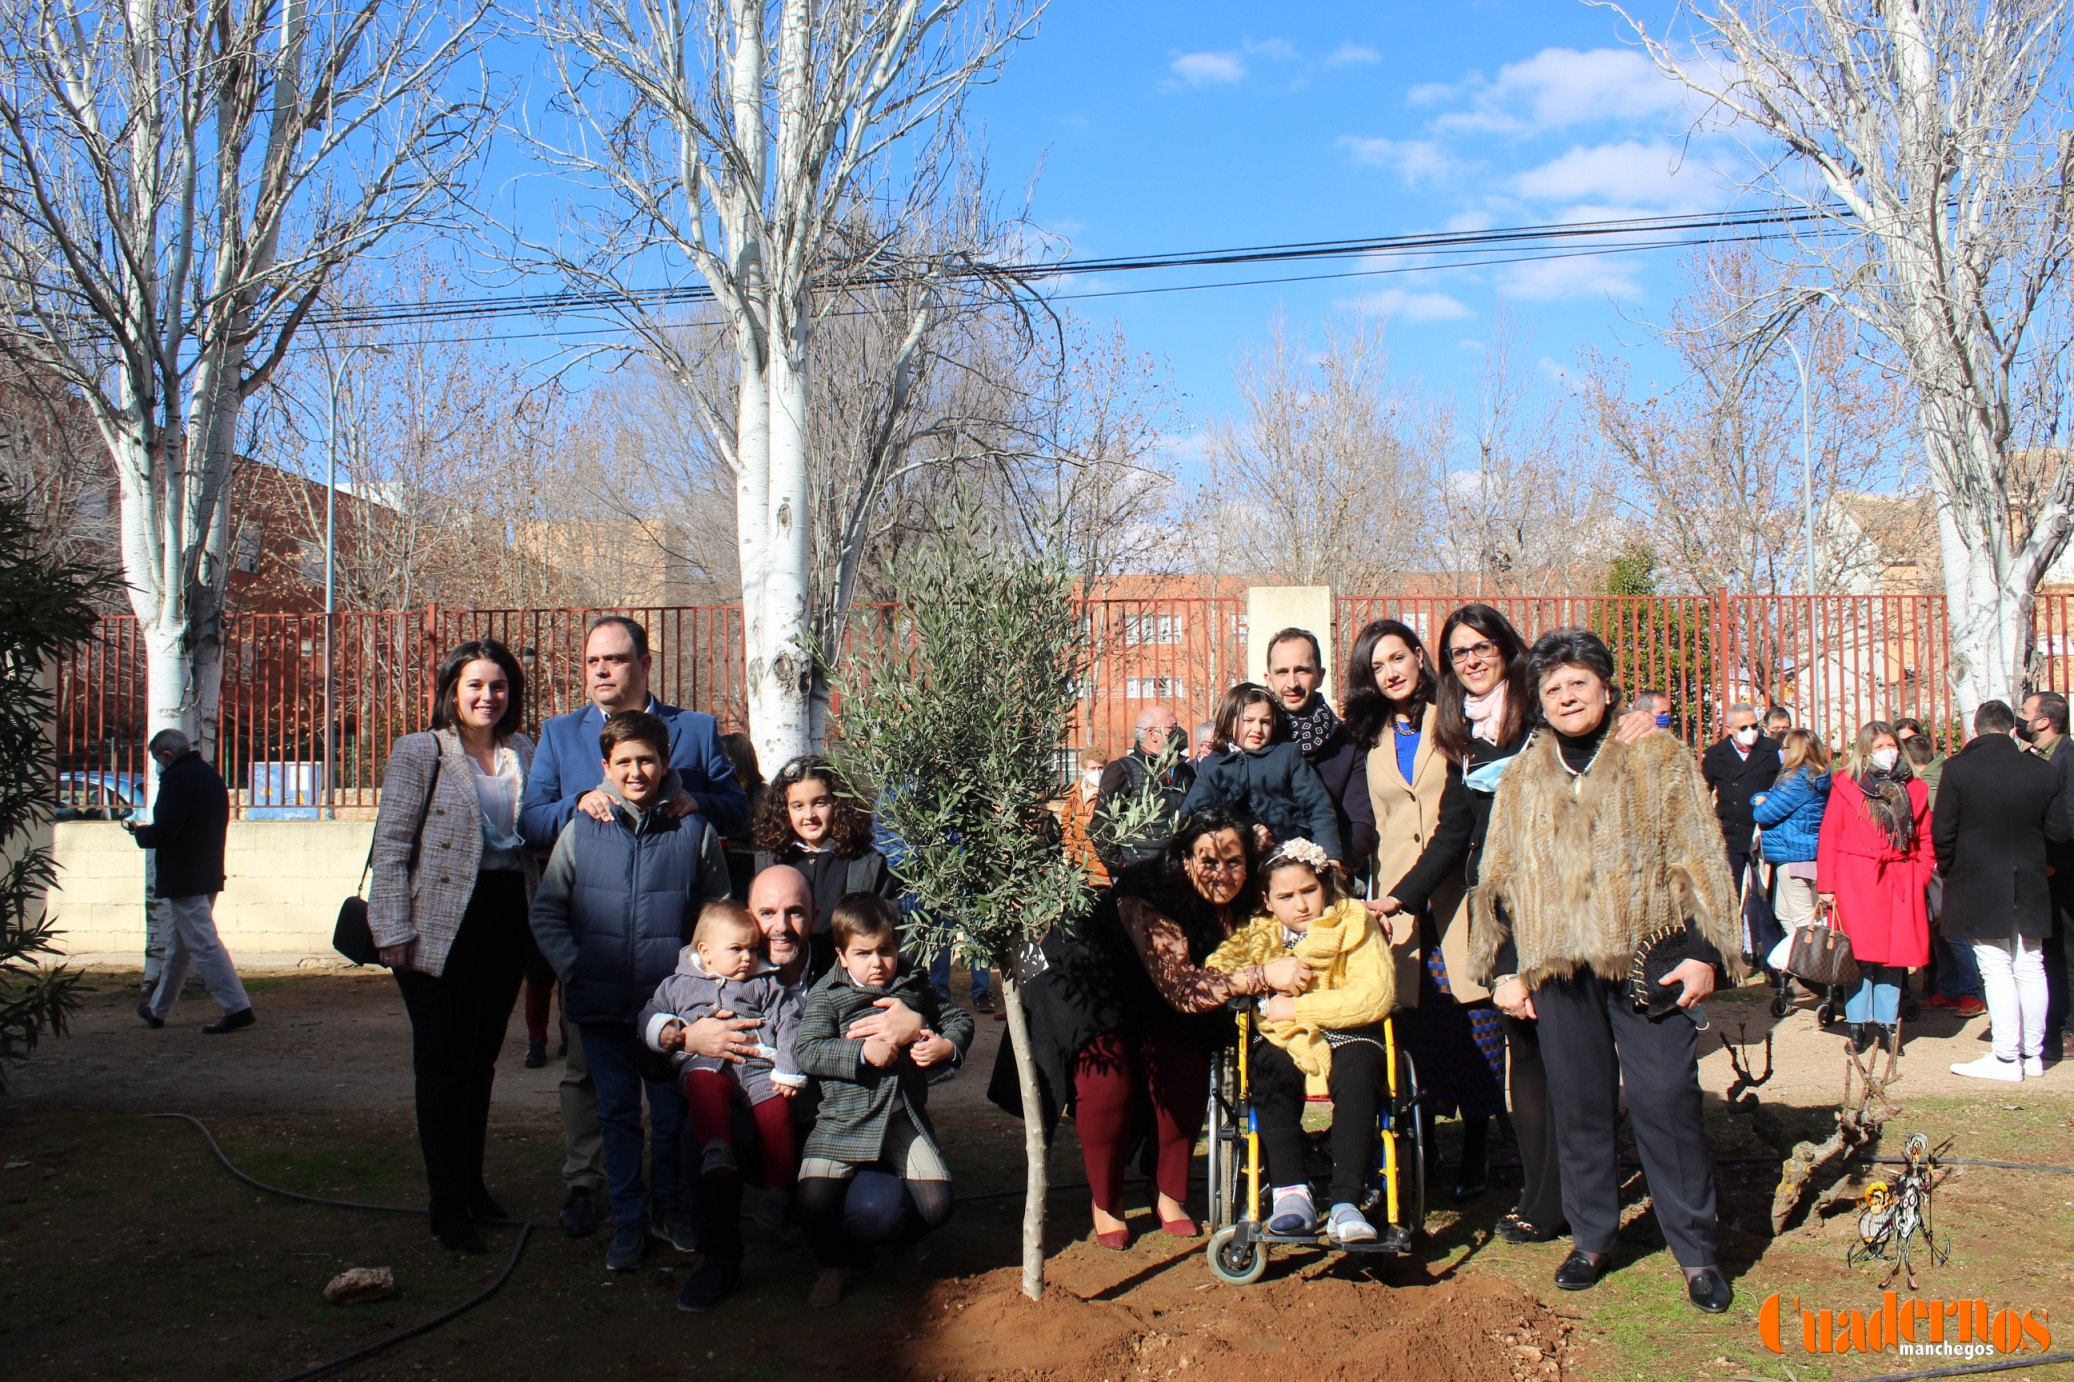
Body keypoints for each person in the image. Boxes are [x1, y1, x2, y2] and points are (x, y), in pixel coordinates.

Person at [1472, 628, 1743, 1315]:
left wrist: (1703, 953)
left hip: (1649, 955)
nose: (1566, 697)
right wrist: (1508, 968)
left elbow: (1700, 856)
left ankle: (1696, 1252)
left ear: (1607, 690)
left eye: (1578, 685)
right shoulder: (1526, 774)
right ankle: (1592, 1236)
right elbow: (1499, 876)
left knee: (1665, 1100)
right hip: (1560, 968)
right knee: (1581, 1106)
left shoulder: (1656, 756)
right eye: (1553, 688)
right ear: (1539, 701)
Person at [518, 615, 748, 1239]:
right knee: (592, 1086)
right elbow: (531, 821)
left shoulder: (696, 731)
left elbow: (741, 809)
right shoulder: (560, 734)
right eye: (592, 660)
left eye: (614, 659)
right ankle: (588, 1186)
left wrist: (700, 802)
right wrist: (580, 805)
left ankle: (677, 1201)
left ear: (644, 663)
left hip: (669, 959)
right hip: (597, 947)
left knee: (673, 1097)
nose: (600, 670)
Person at [1001, 806, 1306, 1247]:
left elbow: (1303, 893)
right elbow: (1183, 989)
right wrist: (1261, 976)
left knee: (1184, 1069)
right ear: (1185, 860)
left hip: (1167, 997)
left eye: (1233, 861)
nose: (1221, 873)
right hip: (1094, 986)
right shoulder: (1148, 895)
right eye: (1208, 860)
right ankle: (1106, 1201)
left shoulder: (1250, 887)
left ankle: (1168, 1191)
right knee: (1111, 1084)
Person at [367, 640, 535, 1253]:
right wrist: (393, 932)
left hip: (505, 919)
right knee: (442, 1067)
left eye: (498, 686)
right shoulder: (422, 751)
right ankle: (446, 1205)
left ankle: (472, 1186)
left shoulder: (524, 751)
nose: (487, 696)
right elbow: (391, 846)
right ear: (452, 690)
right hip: (439, 926)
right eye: (475, 685)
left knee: (482, 1063)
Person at [1345, 617, 1497, 1202]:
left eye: (1396, 658)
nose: (1389, 673)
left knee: (1477, 1021)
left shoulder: (1454, 718)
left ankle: (1479, 1147)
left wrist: (1403, 889)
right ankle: (1425, 1147)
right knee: (1419, 1025)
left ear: (1417, 655)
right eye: (1376, 666)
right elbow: (1373, 820)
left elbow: (1455, 823)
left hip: (1453, 890)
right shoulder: (1371, 736)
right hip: (1396, 906)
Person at [1205, 839, 1394, 1244]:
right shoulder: (1257, 933)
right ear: (1268, 901)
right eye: (1286, 896)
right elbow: (1216, 970)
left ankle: (1347, 1201)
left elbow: (1373, 995)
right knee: (1268, 1069)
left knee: (1359, 1070)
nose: (1301, 905)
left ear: (1324, 886)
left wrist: (1296, 1010)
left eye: (1308, 890)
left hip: (1350, 1031)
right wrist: (1260, 974)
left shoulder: (1356, 924)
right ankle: (1291, 1194)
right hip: (1284, 1039)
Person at [793, 893, 974, 1309]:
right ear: (841, 955)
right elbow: (808, 1051)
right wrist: (859, 1053)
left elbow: (959, 1018)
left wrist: (943, 1044)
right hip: (843, 1120)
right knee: (812, 1203)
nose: (877, 962)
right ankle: (835, 1265)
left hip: (900, 1116)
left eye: (886, 950)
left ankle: (906, 1245)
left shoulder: (912, 984)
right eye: (863, 953)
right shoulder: (828, 993)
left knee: (937, 1204)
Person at [1938, 700, 2070, 1081]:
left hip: (1978, 877)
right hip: (2030, 875)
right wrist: (2046, 863)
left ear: (1976, 730)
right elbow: (2060, 831)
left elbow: (1943, 831)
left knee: (1996, 967)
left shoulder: (1959, 769)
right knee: (2030, 964)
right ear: (2012, 728)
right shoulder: (2041, 770)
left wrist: (1951, 869)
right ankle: (2032, 1054)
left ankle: (2007, 1057)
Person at [643, 900, 803, 1191]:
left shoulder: (765, 985)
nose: (747, 957)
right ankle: (716, 1147)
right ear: (705, 953)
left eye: (753, 949)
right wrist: (665, 1030)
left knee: (777, 1114)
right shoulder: (678, 985)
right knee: (703, 1084)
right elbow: (651, 1012)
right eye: (736, 949)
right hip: (706, 1062)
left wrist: (788, 1069)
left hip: (758, 1067)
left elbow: (789, 1023)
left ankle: (779, 1190)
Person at [1817, 720, 1934, 1055]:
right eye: (1879, 747)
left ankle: (1887, 1024)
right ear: (1865, 752)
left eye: (1891, 745)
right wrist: (1827, 885)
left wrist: (1920, 874)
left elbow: (1926, 839)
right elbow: (1830, 836)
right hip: (1857, 880)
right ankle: (1856, 1024)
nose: (1888, 752)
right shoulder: (1845, 785)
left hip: (1900, 879)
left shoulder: (1915, 788)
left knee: (1893, 959)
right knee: (1859, 956)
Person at [128, 730, 252, 1034]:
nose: (158, 766)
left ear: (167, 756)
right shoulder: (209, 775)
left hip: (184, 874)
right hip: (206, 870)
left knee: (202, 942)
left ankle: (237, 1006)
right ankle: (158, 1009)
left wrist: (141, 833)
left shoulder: (177, 779)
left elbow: (168, 829)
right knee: (179, 947)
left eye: (158, 759)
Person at [752, 755, 896, 979]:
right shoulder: (770, 860)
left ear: (838, 804)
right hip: (781, 983)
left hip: (846, 985)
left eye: (820, 802)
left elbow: (891, 933)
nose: (809, 815)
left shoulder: (866, 864)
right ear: (784, 810)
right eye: (797, 806)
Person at [1178, 682, 1343, 862]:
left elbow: (1318, 807)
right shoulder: (1213, 766)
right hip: (1234, 863)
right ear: (1229, 720)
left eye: (1265, 722)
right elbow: (1189, 818)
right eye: (1248, 721)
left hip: (1288, 856)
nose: (1257, 729)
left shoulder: (1286, 755)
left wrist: (1331, 856)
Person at [1263, 627, 1377, 877]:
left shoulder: (1347, 742)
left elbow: (1360, 825)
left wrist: (1324, 870)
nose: (1292, 683)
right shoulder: (1254, 737)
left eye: (1301, 670)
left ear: (1320, 675)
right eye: (1282, 672)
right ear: (1269, 679)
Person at [2019, 691, 2074, 1059]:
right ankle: (2052, 1027)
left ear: (2043, 721)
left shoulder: (2068, 757)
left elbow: (2068, 818)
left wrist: (2054, 862)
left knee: (2066, 953)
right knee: (2048, 951)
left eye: (2024, 712)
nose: (2018, 719)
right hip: (2044, 871)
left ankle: (2068, 1030)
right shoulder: (2036, 756)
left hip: (2064, 872)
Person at [1094, 704, 1197, 872]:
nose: (1179, 733)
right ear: (1152, 734)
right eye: (1173, 727)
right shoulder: (1123, 770)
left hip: (1178, 872)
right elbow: (1101, 826)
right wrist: (1122, 867)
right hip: (1140, 876)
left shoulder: (1184, 771)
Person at [1751, 729, 1832, 943]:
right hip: (1806, 852)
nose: (1781, 752)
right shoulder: (1819, 775)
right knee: (1785, 913)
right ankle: (1804, 963)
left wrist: (1759, 801)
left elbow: (1764, 814)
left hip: (1794, 853)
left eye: (1784, 748)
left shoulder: (1796, 779)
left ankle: (1817, 968)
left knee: (1803, 919)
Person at [1702, 701, 1781, 898]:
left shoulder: (1773, 750)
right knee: (1730, 895)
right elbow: (1703, 792)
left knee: (1767, 898)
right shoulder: (1715, 755)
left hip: (1765, 835)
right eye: (1743, 727)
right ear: (1729, 728)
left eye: (1754, 726)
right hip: (1730, 835)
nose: (1750, 731)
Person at [720, 729, 767, 900]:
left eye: (727, 759)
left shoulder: (760, 793)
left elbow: (764, 833)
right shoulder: (716, 793)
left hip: (749, 872)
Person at [1060, 750, 1111, 888]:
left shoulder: (1110, 791)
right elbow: (1066, 820)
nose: (1097, 772)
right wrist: (1069, 848)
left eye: (1101, 768)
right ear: (1084, 770)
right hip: (1077, 860)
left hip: (1100, 864)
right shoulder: (1076, 790)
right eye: (1093, 768)